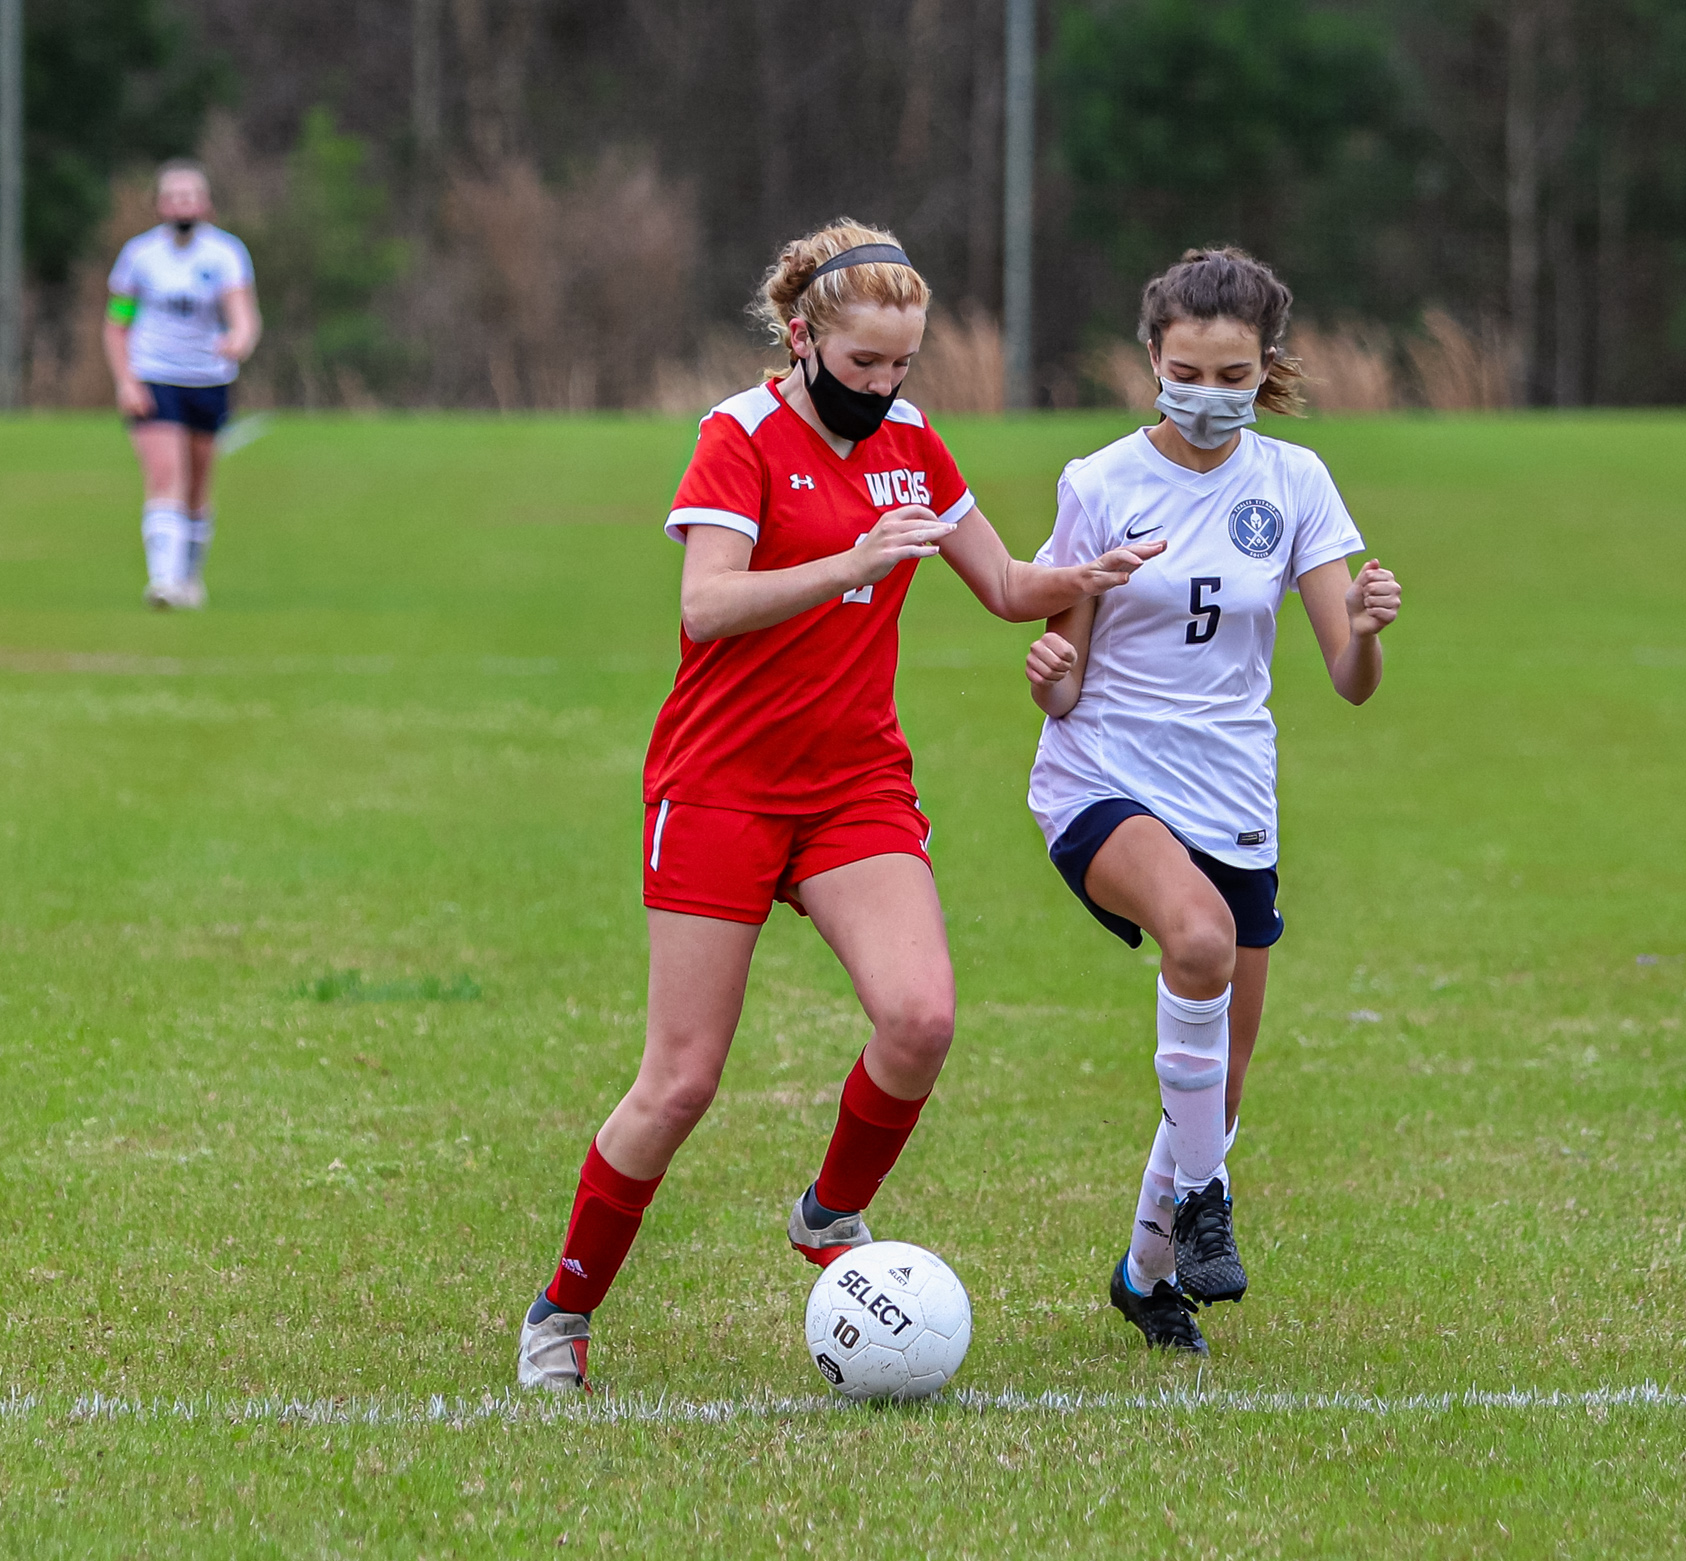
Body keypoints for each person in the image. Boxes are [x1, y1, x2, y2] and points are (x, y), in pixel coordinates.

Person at [516, 220, 1163, 1393]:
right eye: (863, 363)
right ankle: (562, 1310)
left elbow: (1006, 586)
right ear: (805, 335)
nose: (884, 385)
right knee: (681, 1080)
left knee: (919, 1019)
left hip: (853, 781)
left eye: (902, 363)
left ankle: (829, 1212)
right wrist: (853, 562)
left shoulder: (912, 440)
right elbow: (707, 605)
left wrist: (1088, 577)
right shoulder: (740, 435)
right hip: (718, 785)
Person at [1023, 248, 1401, 1354]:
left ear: (1264, 367)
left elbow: (1346, 676)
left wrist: (1368, 633)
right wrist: (1048, 676)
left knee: (1220, 1087)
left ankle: (1147, 1275)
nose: (1206, 390)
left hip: (1232, 791)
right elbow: (1067, 672)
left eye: (1231, 372)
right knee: (1195, 939)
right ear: (1152, 358)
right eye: (1185, 367)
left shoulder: (1293, 484)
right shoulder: (1097, 483)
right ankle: (1203, 1204)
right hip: (1103, 776)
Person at [103, 159, 261, 610]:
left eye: (189, 196)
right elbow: (118, 323)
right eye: (172, 197)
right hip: (154, 376)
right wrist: (126, 381)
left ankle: (188, 578)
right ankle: (164, 582)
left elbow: (243, 313)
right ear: (159, 205)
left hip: (207, 380)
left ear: (205, 203)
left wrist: (240, 339)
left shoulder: (225, 254)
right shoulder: (140, 257)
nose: (181, 205)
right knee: (165, 473)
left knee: (197, 484)